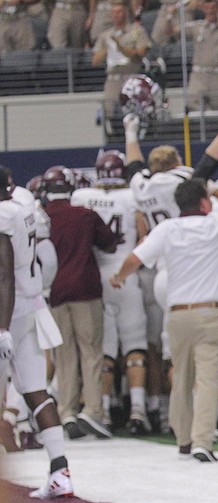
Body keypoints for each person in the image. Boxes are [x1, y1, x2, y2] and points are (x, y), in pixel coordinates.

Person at [111, 158, 218, 462]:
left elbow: (135, 258)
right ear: (204, 203)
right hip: (211, 311)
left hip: (177, 313)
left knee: (180, 375)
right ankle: (202, 441)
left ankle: (183, 438)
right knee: (209, 376)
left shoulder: (167, 228)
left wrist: (119, 277)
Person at [0, 166, 73, 499]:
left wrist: (2, 328)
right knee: (35, 390)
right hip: (31, 306)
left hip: (9, 312)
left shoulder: (3, 214)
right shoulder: (24, 208)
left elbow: (4, 275)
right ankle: (60, 470)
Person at [71, 149, 150, 435]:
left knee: (103, 349)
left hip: (97, 278)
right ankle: (138, 411)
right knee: (135, 346)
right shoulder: (131, 197)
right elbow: (144, 235)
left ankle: (102, 412)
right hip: (125, 275)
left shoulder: (82, 197)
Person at [45, 166, 119, 440]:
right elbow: (109, 243)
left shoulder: (41, 217)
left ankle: (66, 412)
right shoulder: (84, 215)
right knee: (91, 352)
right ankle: (93, 411)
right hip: (85, 289)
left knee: (63, 357)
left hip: (54, 291)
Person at [171, 0, 218, 112]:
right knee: (193, 105)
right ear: (203, 8)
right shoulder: (196, 27)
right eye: (207, 7)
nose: (210, 10)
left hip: (217, 74)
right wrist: (172, 14)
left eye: (213, 7)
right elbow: (175, 30)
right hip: (198, 75)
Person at [91, 0, 152, 122]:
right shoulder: (106, 35)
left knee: (133, 114)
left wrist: (122, 48)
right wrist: (109, 47)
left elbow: (141, 53)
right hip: (113, 80)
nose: (116, 15)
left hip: (130, 79)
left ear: (125, 12)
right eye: (113, 12)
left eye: (119, 12)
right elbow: (95, 60)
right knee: (110, 114)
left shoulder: (137, 31)